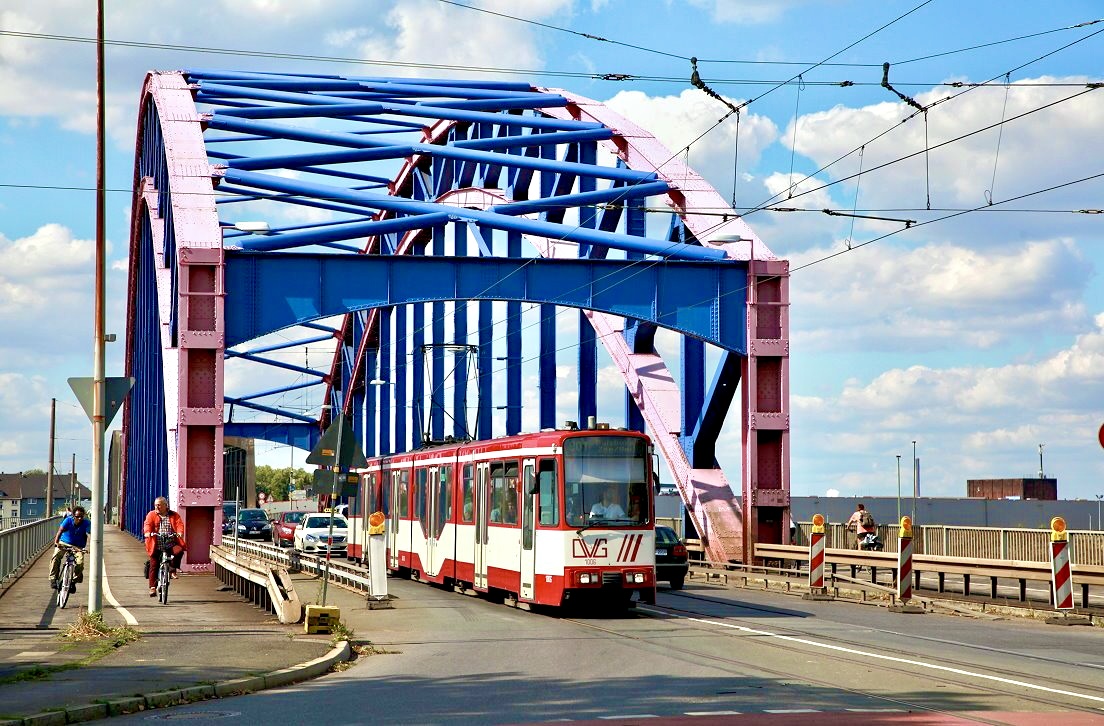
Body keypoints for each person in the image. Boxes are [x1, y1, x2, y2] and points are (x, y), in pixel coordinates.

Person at [143, 497, 187, 597]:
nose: (156, 507)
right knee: (154, 565)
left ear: (165, 505)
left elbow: (179, 524)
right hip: (156, 544)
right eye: (155, 505)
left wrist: (180, 532)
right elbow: (147, 524)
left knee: (179, 551)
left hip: (170, 542)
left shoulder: (174, 515)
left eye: (159, 505)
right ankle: (152, 588)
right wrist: (147, 533)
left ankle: (172, 569)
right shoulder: (151, 514)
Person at [49, 505, 91, 591]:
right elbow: (60, 531)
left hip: (78, 547)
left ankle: (73, 582)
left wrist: (91, 547)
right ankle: (53, 579)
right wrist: (57, 543)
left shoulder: (86, 523)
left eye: (81, 517)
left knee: (80, 563)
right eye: (77, 516)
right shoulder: (68, 520)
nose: (79, 518)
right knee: (56, 557)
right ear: (73, 516)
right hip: (64, 543)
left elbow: (89, 535)